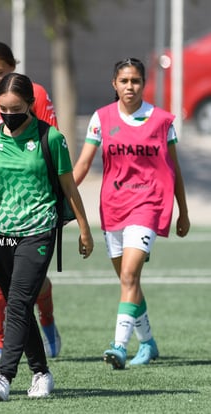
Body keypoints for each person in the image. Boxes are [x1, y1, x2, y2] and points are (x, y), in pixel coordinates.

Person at [0, 72, 94, 400]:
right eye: (3, 108)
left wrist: (85, 228)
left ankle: (4, 376)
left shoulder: (52, 139)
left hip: (38, 231)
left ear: (31, 105)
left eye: (15, 108)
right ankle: (42, 373)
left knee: (18, 302)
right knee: (19, 306)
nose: (8, 114)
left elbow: (68, 186)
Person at [73, 57, 190, 369]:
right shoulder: (101, 118)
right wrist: (63, 191)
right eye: (124, 81)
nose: (130, 86)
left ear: (143, 84)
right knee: (129, 283)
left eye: (135, 81)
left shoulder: (162, 120)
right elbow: (84, 164)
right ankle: (148, 343)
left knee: (129, 275)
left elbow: (174, 168)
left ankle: (119, 346)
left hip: (149, 204)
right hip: (113, 206)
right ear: (115, 84)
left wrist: (184, 212)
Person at [0, 41, 61, 366]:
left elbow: (51, 141)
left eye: (1, 72)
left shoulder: (35, 93)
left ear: (13, 67)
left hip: (31, 198)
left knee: (28, 280)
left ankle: (46, 318)